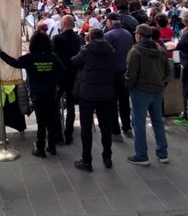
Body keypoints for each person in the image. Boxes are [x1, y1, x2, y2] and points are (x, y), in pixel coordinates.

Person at [0, 32, 65, 158]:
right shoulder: (52, 57)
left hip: (37, 93)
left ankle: (40, 147)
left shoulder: (29, 58)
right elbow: (63, 72)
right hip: (50, 92)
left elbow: (13, 62)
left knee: (41, 121)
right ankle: (52, 146)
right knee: (51, 119)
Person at [124, 24, 171, 166]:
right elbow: (167, 71)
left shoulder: (135, 51)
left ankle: (141, 155)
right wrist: (161, 84)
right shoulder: (160, 50)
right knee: (158, 121)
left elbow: (130, 73)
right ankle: (162, 153)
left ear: (138, 34)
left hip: (140, 90)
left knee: (138, 122)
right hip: (157, 90)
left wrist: (128, 86)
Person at [70, 28, 115, 172]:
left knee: (86, 127)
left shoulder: (86, 51)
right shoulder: (111, 51)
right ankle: (107, 156)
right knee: (105, 126)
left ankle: (87, 160)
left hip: (87, 93)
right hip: (106, 92)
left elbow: (74, 61)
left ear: (89, 37)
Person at [52, 15, 84, 144]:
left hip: (59, 76)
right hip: (73, 75)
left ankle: (58, 134)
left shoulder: (57, 38)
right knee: (71, 106)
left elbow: (52, 55)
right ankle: (69, 133)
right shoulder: (78, 38)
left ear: (64, 23)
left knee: (54, 105)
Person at [103, 12, 134, 142]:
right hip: (124, 71)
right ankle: (127, 127)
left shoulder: (108, 35)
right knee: (124, 101)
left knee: (112, 102)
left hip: (112, 72)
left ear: (109, 21)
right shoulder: (128, 34)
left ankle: (115, 131)